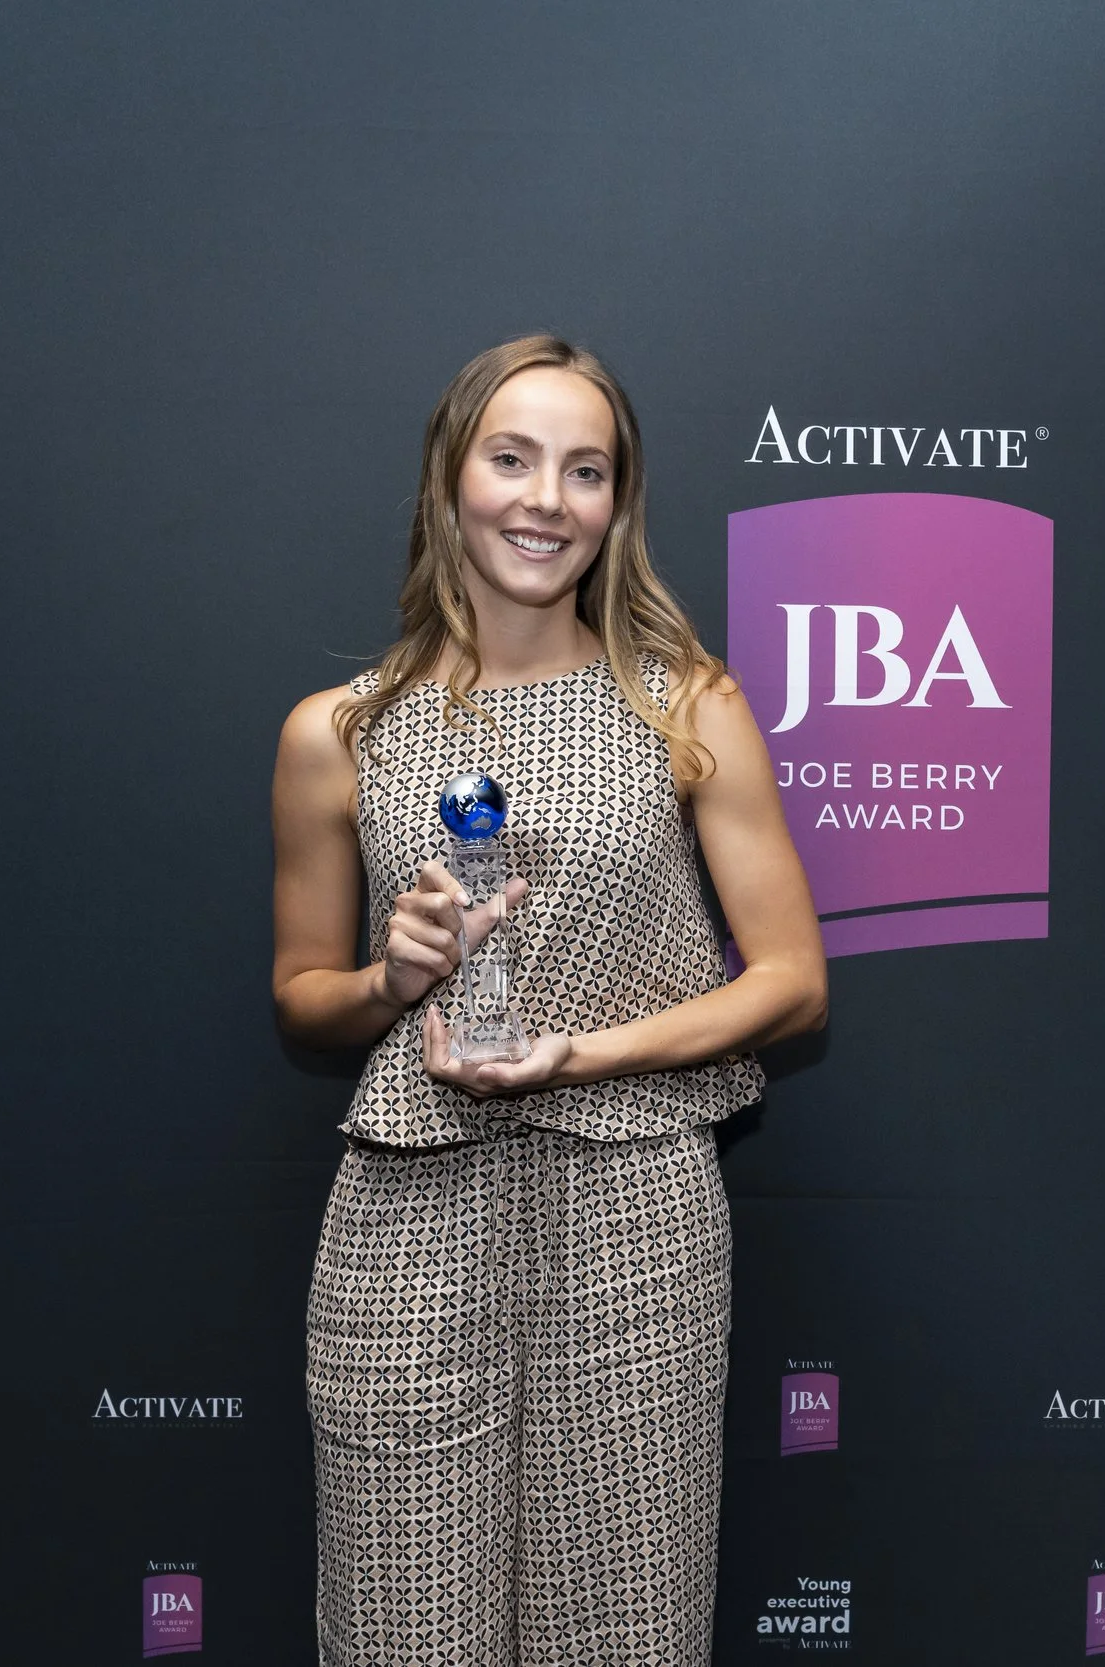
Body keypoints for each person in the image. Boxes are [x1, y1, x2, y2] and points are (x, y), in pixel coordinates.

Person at [270, 335, 827, 1666]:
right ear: (450, 479)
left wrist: (584, 1053)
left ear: (617, 505)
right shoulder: (337, 731)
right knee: (403, 1623)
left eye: (586, 470)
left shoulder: (684, 704)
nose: (546, 499)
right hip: (409, 1215)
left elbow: (794, 985)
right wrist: (391, 978)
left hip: (635, 1213)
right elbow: (304, 1002)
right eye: (511, 458)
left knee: (623, 1627)